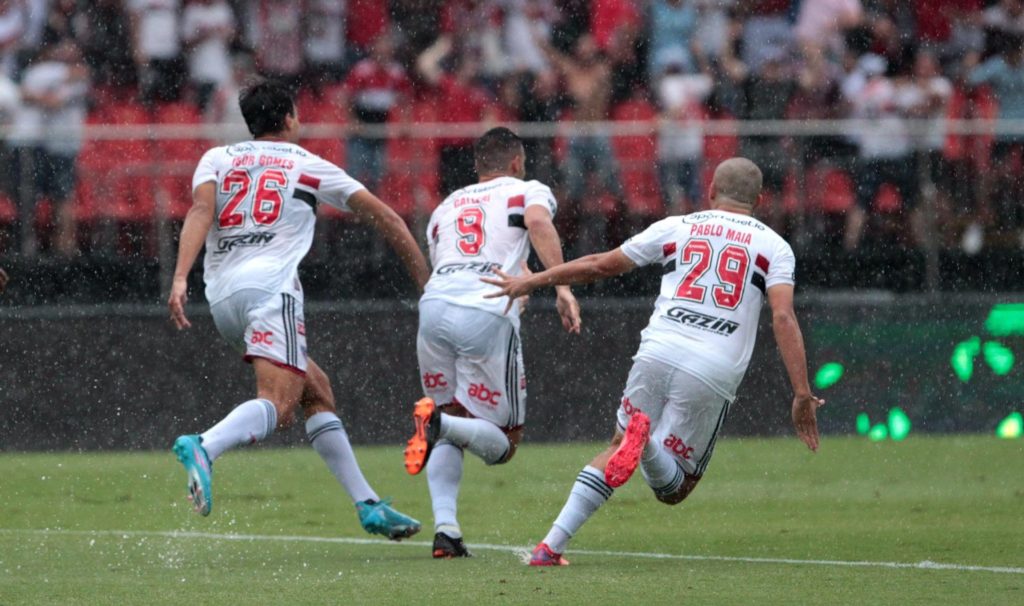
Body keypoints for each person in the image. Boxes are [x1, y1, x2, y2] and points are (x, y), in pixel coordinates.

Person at [482, 157, 824, 566]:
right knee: (675, 489)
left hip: (657, 349)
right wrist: (801, 392)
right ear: (760, 199)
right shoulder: (775, 247)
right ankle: (643, 446)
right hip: (712, 366)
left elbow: (600, 265)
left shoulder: (677, 226)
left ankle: (550, 546)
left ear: (711, 190)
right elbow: (782, 316)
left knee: (615, 444)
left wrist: (532, 280)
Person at [168, 81, 431, 540]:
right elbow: (388, 217)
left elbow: (199, 212)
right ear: (289, 119)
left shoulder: (217, 158)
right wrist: (427, 285)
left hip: (224, 298)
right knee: (281, 405)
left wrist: (178, 277)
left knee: (316, 389)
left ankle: (368, 504)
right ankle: (204, 446)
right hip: (272, 290)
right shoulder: (309, 166)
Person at [402, 127, 581, 558]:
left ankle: (446, 532)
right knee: (504, 443)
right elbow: (537, 222)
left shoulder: (445, 206)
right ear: (517, 163)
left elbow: (443, 259)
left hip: (434, 307)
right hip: (486, 308)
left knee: (451, 415)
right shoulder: (526, 190)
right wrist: (561, 287)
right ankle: (439, 424)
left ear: (477, 166)